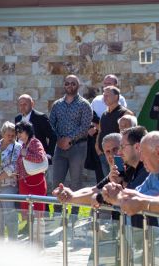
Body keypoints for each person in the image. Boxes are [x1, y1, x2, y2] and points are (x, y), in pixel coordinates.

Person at [49, 74, 92, 215]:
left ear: (77, 86)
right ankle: (57, 213)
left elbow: (85, 126)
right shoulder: (57, 105)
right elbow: (51, 124)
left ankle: (74, 213)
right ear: (64, 85)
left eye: (73, 83)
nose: (70, 86)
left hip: (77, 148)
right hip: (59, 148)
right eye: (67, 83)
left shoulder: (84, 104)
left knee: (76, 182)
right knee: (56, 182)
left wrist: (69, 139)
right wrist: (59, 140)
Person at [0, 121, 22, 240]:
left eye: (13, 135)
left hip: (9, 185)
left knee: (9, 214)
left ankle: (13, 242)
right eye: (8, 135)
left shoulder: (17, 146)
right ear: (2, 134)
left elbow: (14, 166)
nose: (11, 138)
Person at [96, 85, 133, 176]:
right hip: (104, 154)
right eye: (104, 95)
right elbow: (100, 131)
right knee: (108, 181)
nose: (104, 97)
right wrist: (97, 146)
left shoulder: (125, 113)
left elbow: (129, 135)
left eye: (107, 95)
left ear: (116, 97)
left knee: (119, 178)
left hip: (119, 155)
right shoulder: (104, 114)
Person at [15, 121, 47, 212]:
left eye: (20, 131)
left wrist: (27, 154)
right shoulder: (23, 145)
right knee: (27, 215)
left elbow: (41, 157)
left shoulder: (35, 142)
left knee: (37, 215)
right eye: (17, 132)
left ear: (27, 131)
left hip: (35, 182)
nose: (18, 134)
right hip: (25, 183)